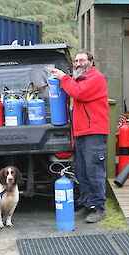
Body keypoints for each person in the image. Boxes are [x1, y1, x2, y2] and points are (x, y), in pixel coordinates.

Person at [51, 49, 109, 223]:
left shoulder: (96, 78)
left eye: (82, 60)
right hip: (81, 132)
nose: (78, 64)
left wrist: (63, 78)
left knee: (94, 171)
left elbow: (78, 93)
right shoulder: (79, 79)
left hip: (94, 132)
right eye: (76, 61)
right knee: (82, 172)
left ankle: (99, 208)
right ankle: (87, 205)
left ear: (91, 62)